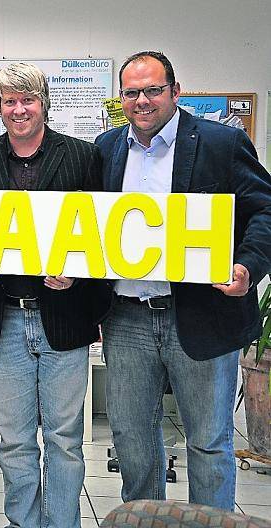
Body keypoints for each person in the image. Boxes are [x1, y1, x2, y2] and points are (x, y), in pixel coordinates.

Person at [95, 51, 271, 510]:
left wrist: (247, 267)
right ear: (121, 97)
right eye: (132, 92)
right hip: (126, 318)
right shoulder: (106, 147)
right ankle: (145, 520)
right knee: (132, 440)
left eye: (153, 90)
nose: (142, 101)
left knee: (209, 444)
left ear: (175, 91)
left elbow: (264, 210)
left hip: (202, 315)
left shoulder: (221, 143)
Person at [0, 62, 105, 527]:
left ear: (44, 103)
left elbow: (100, 238)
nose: (18, 109)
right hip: (2, 319)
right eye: (9, 101)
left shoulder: (83, 156)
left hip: (64, 317)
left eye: (28, 100)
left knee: (64, 439)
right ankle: (23, 522)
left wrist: (78, 276)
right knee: (14, 441)